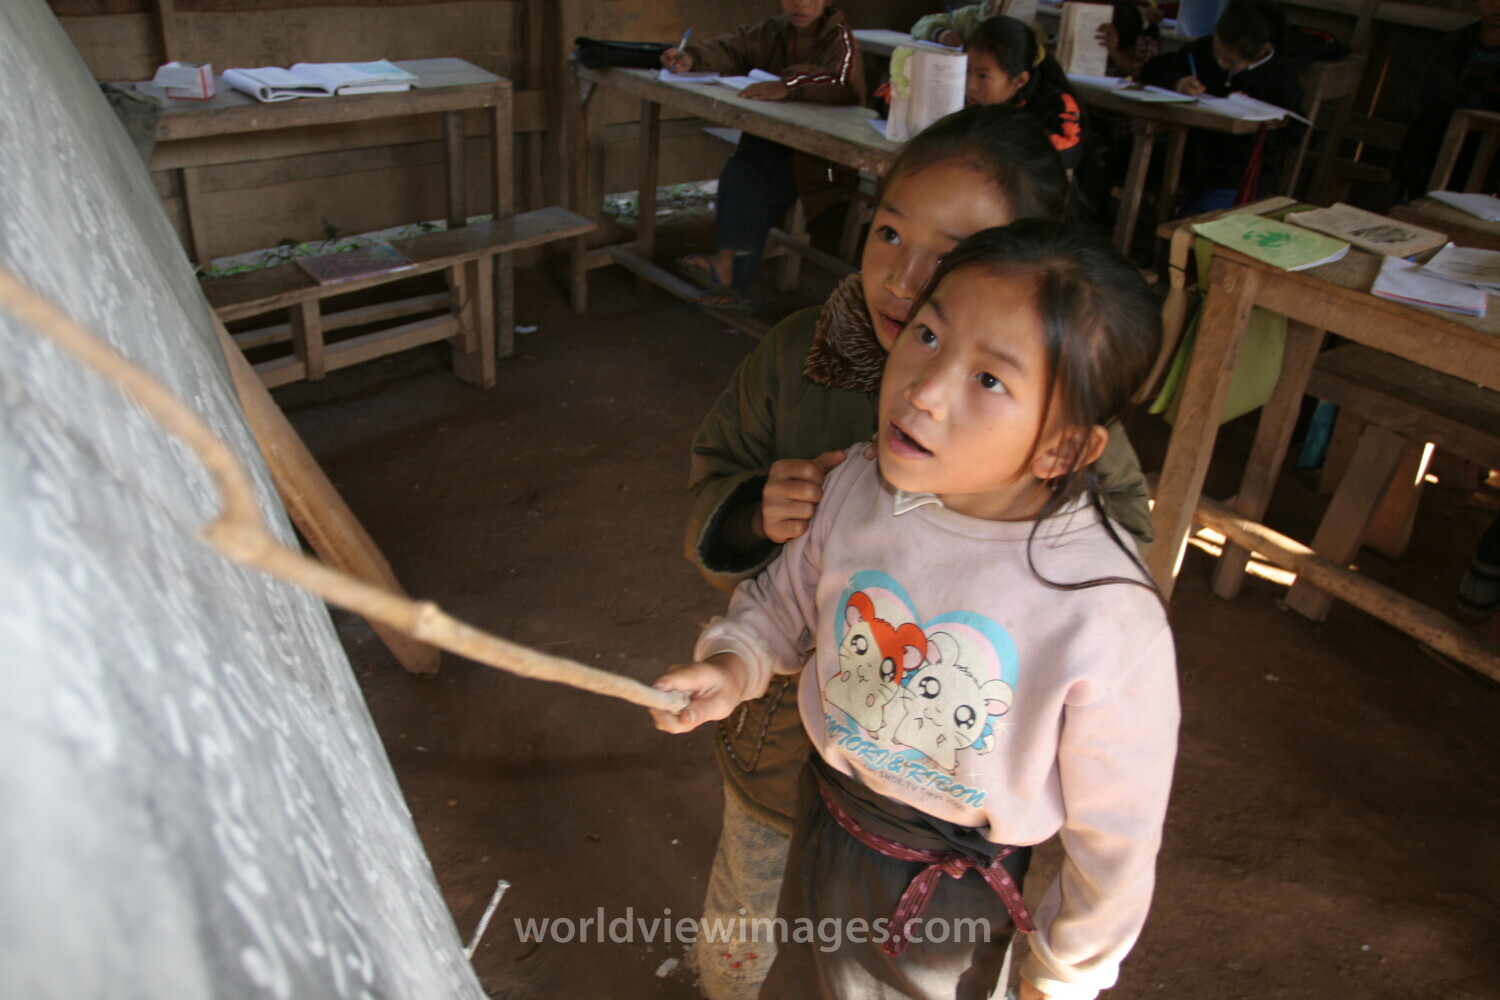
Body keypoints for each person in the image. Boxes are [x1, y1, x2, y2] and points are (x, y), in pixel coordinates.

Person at [681, 104, 1155, 1000]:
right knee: (760, 931)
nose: (903, 278)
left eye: (952, 253)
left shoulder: (1060, 428)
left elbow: (1125, 548)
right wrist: (756, 514)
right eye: (888, 232)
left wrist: (1005, 533)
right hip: (788, 754)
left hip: (950, 806)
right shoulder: (801, 365)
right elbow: (735, 515)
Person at [662, 0, 864, 311]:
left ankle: (728, 271)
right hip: (773, 141)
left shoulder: (838, 37)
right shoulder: (772, 31)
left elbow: (842, 81)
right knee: (739, 170)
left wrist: (790, 85)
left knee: (756, 184)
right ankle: (725, 265)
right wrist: (692, 58)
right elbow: (731, 49)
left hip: (819, 158)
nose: (798, 4)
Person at [1140, 0, 1304, 214]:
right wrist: (1178, 81)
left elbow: (1295, 130)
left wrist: (1255, 128)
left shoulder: (1281, 76)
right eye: (1218, 54)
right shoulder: (1201, 50)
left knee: (1206, 217)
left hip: (1238, 172)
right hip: (1192, 158)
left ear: (1262, 51)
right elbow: (1154, 69)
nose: (1219, 63)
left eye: (1231, 62)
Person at [1395, 0, 1500, 200]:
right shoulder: (1456, 42)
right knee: (1429, 126)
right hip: (1442, 133)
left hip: (1489, 147)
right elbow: (1435, 92)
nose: (1496, 5)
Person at [964, 16, 1086, 170]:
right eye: (967, 70)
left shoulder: (1056, 104)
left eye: (983, 76)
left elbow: (1066, 153)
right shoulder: (967, 98)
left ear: (1020, 80)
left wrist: (1007, 129)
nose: (970, 85)